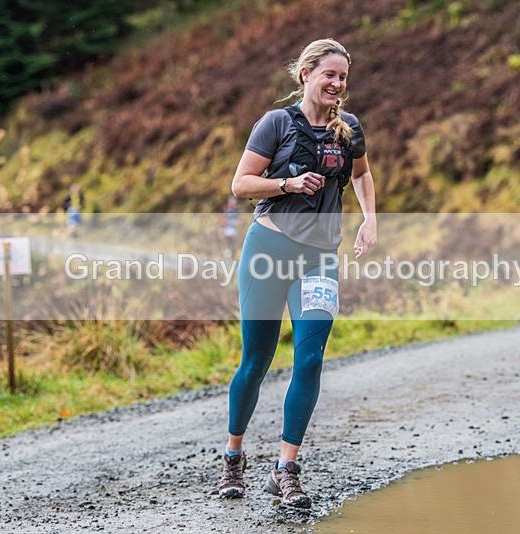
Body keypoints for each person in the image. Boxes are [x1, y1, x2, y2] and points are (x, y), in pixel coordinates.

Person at [219, 38, 377, 508]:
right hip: (268, 248)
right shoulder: (276, 123)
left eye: (343, 77)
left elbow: (363, 174)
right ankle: (233, 455)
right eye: (329, 74)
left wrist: (370, 218)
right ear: (306, 73)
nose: (337, 84)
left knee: (309, 360)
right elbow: (241, 183)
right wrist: (286, 183)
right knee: (257, 360)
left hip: (320, 257)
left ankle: (286, 469)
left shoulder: (348, 127)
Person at [221, 194, 240, 259]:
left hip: (233, 228)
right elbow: (223, 217)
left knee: (232, 243)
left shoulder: (236, 209)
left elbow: (238, 218)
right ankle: (227, 252)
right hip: (227, 228)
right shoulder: (225, 208)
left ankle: (232, 254)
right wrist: (224, 222)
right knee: (227, 241)